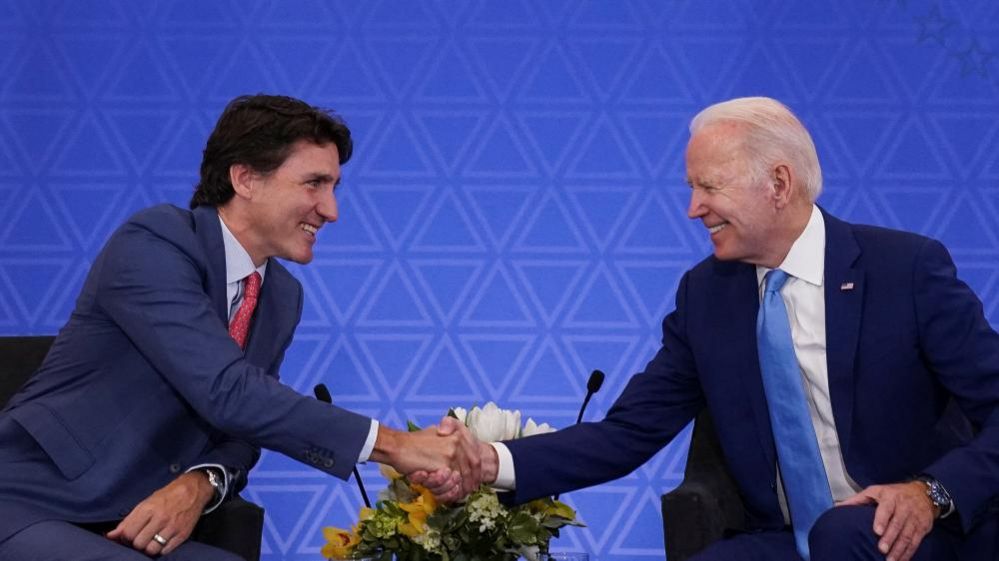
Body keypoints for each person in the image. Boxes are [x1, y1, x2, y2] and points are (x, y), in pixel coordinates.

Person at [422, 97, 999, 561]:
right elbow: (627, 433)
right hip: (788, 538)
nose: (693, 208)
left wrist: (933, 493)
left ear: (778, 183)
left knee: (841, 537)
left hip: (921, 530)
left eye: (709, 186)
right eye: (691, 188)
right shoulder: (707, 296)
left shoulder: (904, 269)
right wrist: (491, 461)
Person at [0, 94, 476, 561]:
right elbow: (229, 390)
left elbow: (245, 429)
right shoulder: (154, 242)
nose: (331, 211)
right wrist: (395, 446)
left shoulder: (281, 296)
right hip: (30, 502)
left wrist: (200, 482)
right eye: (314, 184)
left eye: (334, 188)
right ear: (245, 178)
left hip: (131, 523)